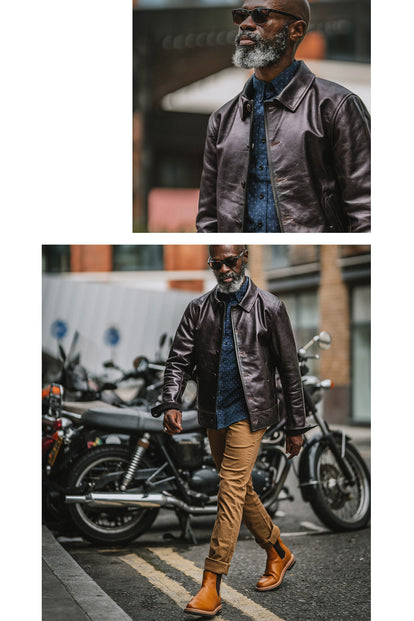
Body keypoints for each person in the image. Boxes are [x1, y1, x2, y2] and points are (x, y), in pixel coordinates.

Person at [151, 245, 309, 618]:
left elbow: (289, 371)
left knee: (230, 489)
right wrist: (171, 401)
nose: (223, 269)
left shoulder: (269, 307)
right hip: (213, 414)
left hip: (251, 414)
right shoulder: (198, 309)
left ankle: (211, 583)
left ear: (244, 258)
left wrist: (296, 425)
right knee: (240, 486)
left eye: (230, 261)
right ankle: (278, 552)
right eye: (216, 263)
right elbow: (178, 361)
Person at [196, 0, 370, 233]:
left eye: (260, 16)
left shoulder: (337, 107)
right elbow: (208, 218)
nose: (246, 25)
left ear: (296, 30)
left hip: (308, 257)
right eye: (241, 16)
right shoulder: (222, 118)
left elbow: (366, 208)